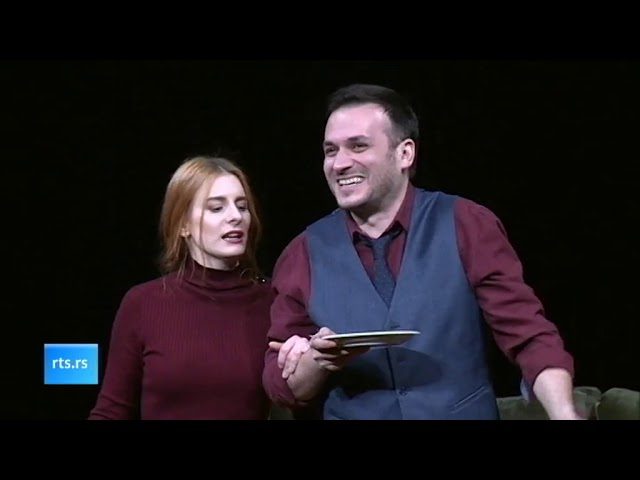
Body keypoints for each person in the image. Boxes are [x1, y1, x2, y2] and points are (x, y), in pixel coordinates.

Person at [262, 83, 581, 420]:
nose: (340, 163)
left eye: (358, 146)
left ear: (405, 154)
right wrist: (317, 360)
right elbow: (281, 384)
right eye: (331, 150)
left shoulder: (466, 224)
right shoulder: (303, 253)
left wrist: (564, 413)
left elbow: (527, 335)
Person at [89, 156, 273, 420]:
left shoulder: (272, 302)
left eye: (242, 206)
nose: (236, 217)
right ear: (184, 224)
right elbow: (112, 411)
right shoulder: (143, 303)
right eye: (216, 208)